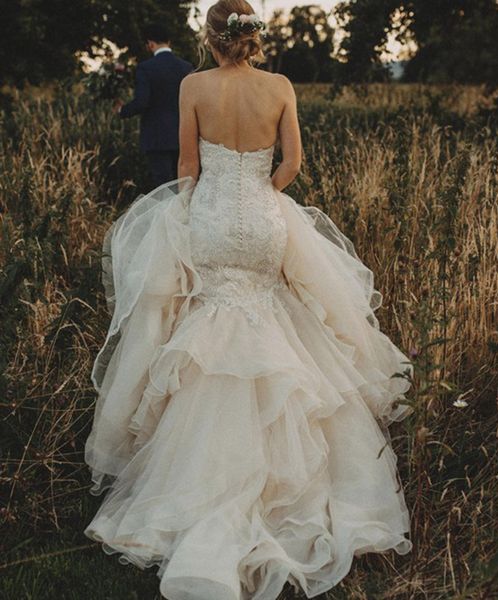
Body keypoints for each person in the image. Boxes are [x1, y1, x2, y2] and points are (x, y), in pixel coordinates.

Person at [84, 1, 414, 599]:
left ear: (209, 39)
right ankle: (287, 483)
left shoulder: (193, 85)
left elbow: (187, 164)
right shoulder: (281, 85)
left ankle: (198, 480)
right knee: (272, 314)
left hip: (210, 216)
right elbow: (293, 163)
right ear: (253, 38)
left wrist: (201, 205)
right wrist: (261, 196)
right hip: (264, 219)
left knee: (210, 317)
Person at [116, 23, 193, 190]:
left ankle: (168, 217)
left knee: (164, 190)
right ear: (169, 42)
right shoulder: (186, 67)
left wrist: (123, 110)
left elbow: (142, 102)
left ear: (150, 44)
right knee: (184, 188)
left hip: (157, 138)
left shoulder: (146, 68)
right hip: (184, 135)